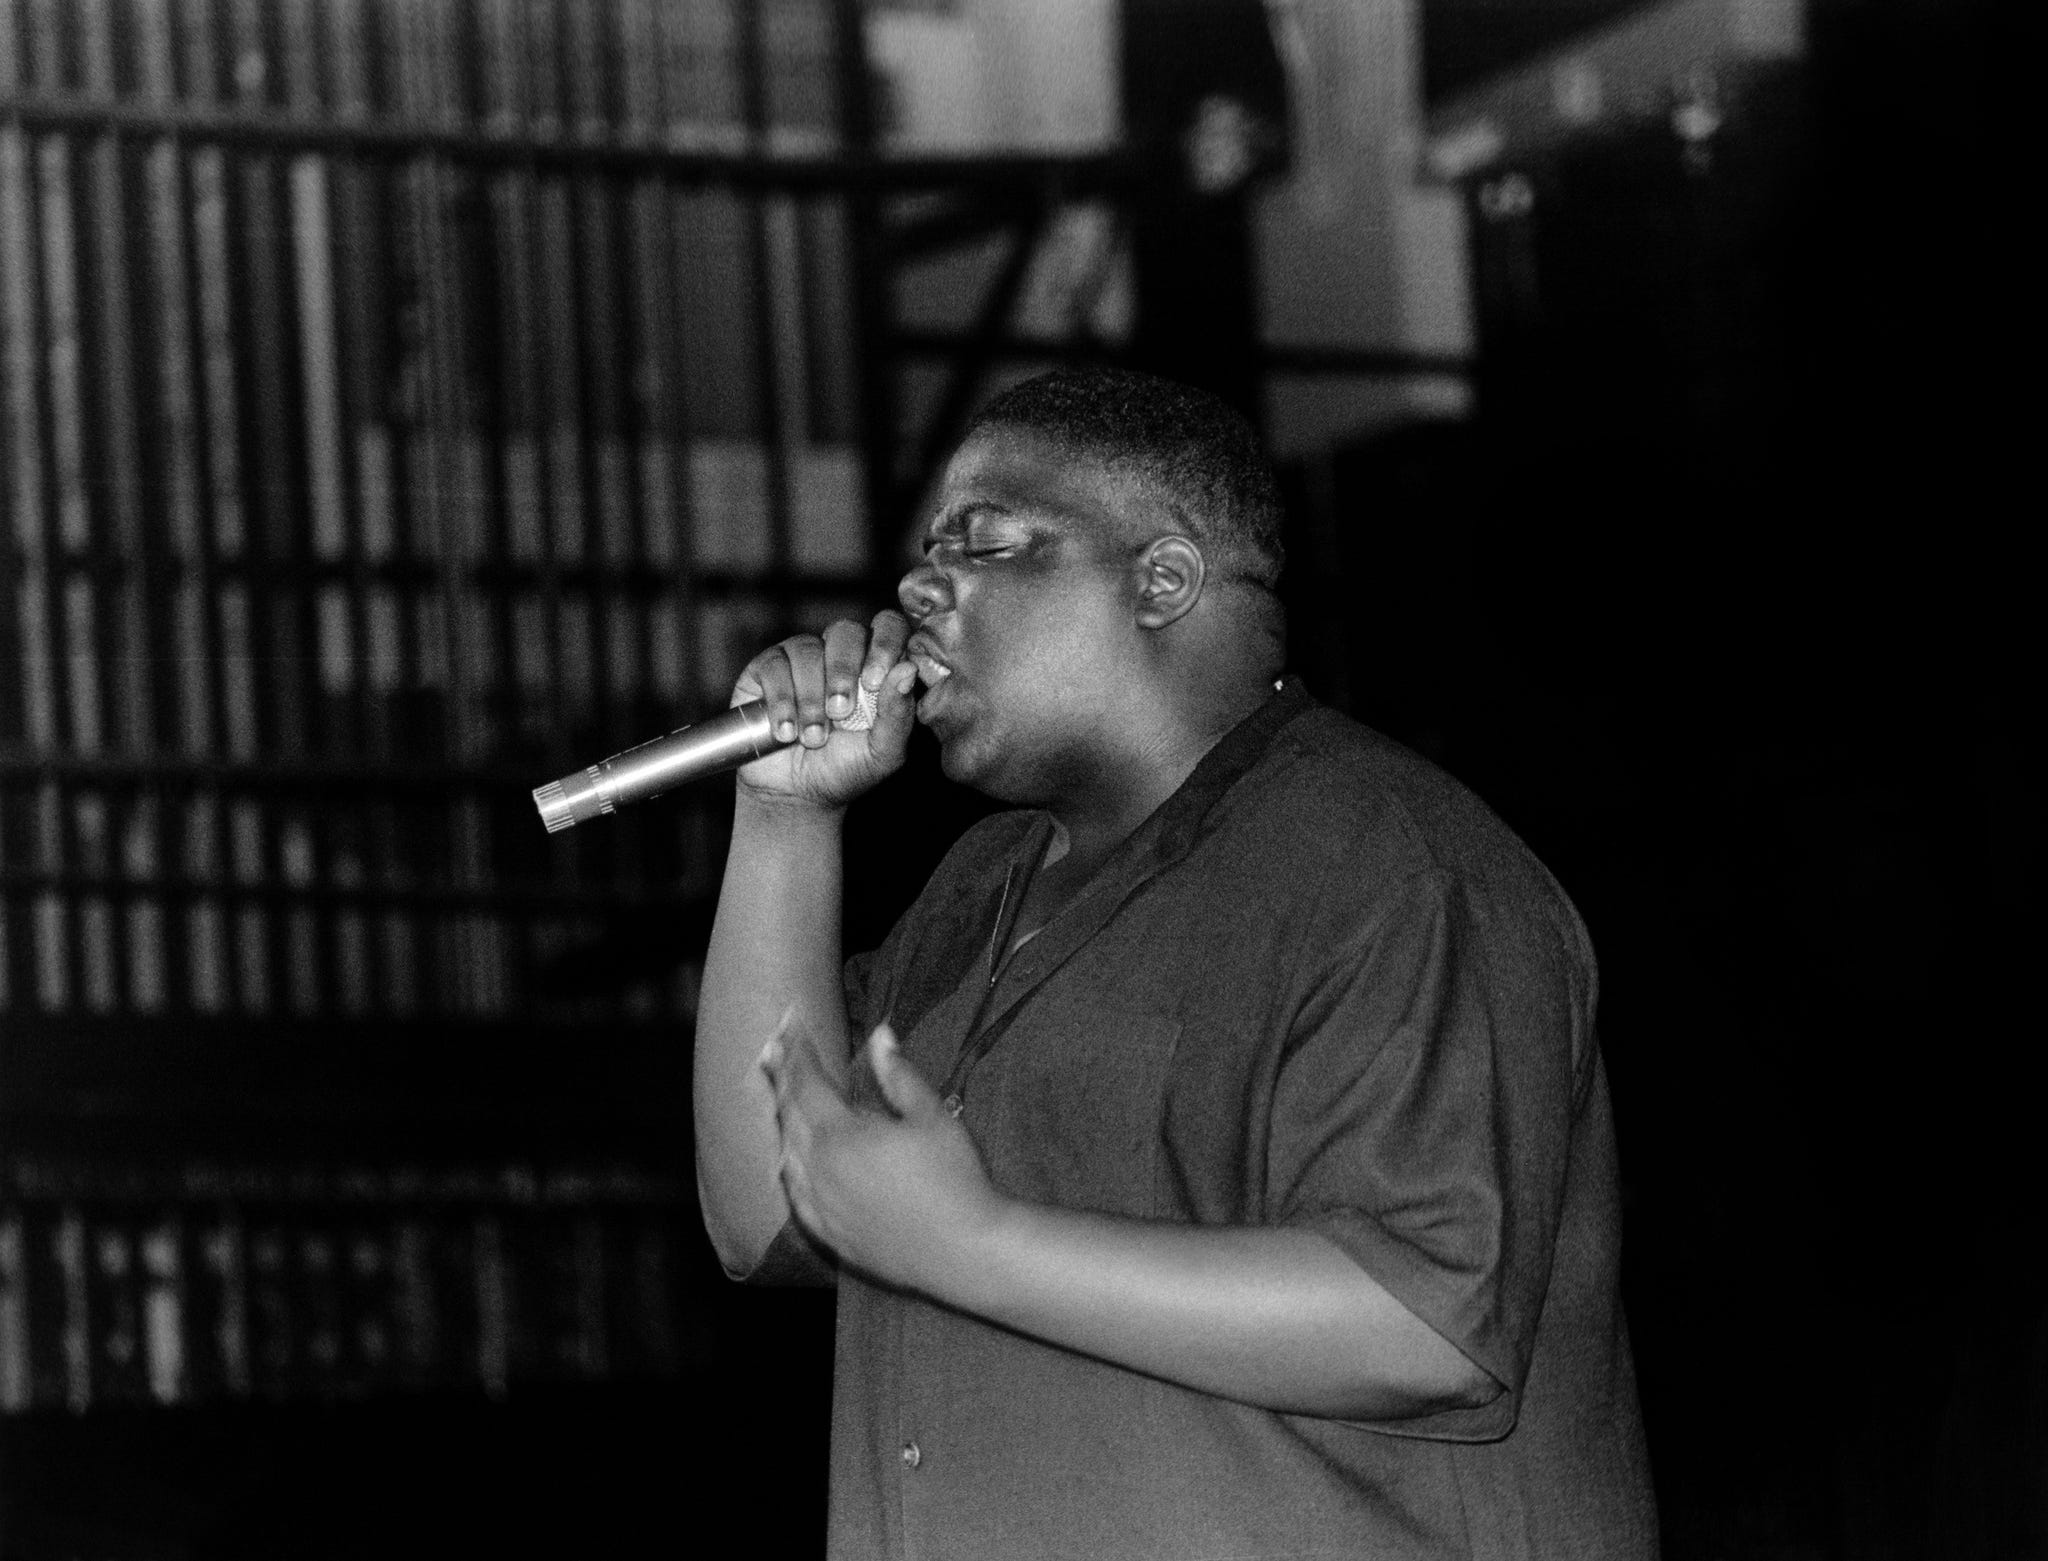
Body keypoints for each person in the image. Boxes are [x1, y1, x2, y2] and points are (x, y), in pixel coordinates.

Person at [692, 366, 1658, 1559]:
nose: (916, 586)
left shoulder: (1394, 865)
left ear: (1160, 580)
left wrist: (970, 1245)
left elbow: (1422, 1326)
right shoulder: (976, 893)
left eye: (981, 541)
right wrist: (782, 820)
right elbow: (763, 1219)